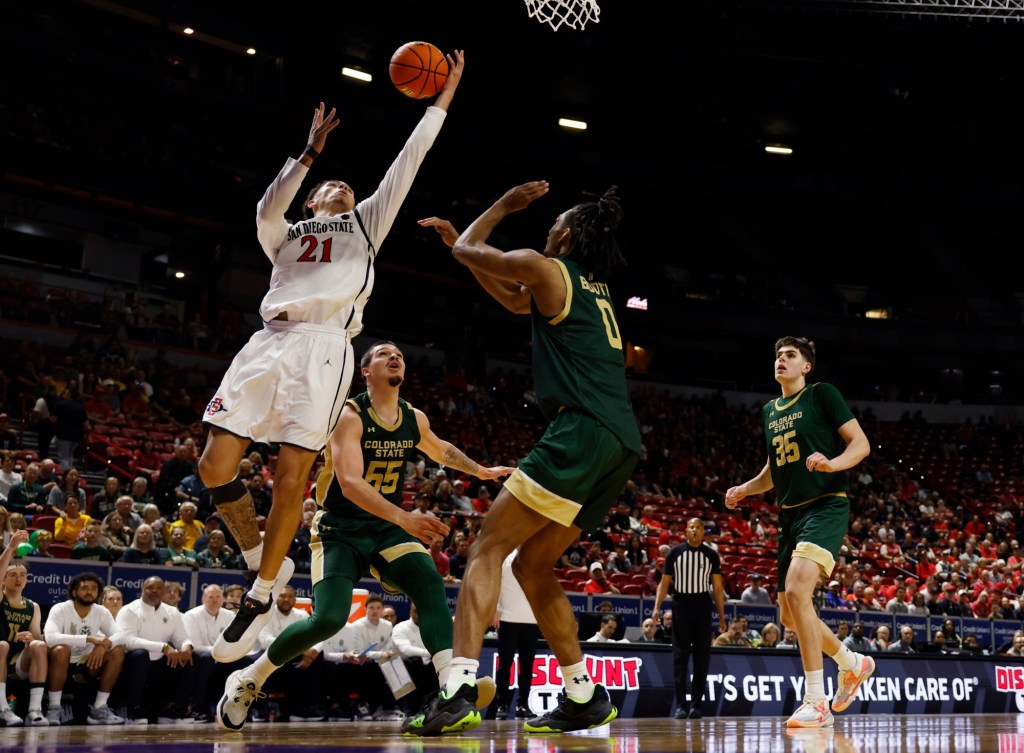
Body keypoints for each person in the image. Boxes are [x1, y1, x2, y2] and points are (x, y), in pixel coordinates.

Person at [197, 54, 466, 666]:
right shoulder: (284, 232)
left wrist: (441, 99)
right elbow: (268, 205)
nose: (340, 188)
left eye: (346, 186)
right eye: (329, 187)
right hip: (268, 341)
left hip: (325, 349)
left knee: (293, 473)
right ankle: (256, 559)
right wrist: (309, 153)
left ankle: (264, 591)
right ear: (314, 197)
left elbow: (409, 161)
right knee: (215, 464)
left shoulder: (366, 224)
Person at [412, 182, 641, 735]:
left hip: (581, 428)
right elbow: (514, 299)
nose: (543, 231)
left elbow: (470, 248)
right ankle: (583, 694)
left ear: (563, 234)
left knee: (486, 549)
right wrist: (464, 252)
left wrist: (499, 208)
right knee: (533, 566)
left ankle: (458, 687)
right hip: (621, 443)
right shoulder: (591, 287)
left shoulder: (546, 266)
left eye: (549, 225)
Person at [214, 339, 507, 732]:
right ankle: (251, 677)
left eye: (399, 353)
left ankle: (450, 690)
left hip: (385, 527)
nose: (395, 356)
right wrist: (405, 518)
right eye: (384, 354)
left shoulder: (413, 417)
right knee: (329, 619)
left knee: (429, 583)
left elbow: (440, 450)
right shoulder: (350, 415)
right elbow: (350, 484)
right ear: (366, 372)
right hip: (340, 526)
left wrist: (480, 471)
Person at [725, 336, 872, 728]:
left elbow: (861, 444)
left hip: (824, 506)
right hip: (788, 518)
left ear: (806, 366)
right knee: (791, 617)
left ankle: (816, 701)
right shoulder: (769, 410)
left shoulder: (822, 394)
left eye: (790, 356)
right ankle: (852, 662)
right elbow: (774, 469)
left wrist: (832, 463)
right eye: (777, 355)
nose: (781, 360)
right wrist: (746, 487)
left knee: (797, 590)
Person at [653, 517, 725, 720]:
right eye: (691, 527)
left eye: (698, 527)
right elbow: (664, 583)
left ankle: (696, 706)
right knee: (680, 657)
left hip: (703, 605)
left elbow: (717, 588)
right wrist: (656, 608)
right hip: (681, 605)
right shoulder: (675, 553)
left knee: (702, 657)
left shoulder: (711, 555)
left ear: (703, 532)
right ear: (686, 531)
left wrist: (721, 616)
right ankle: (681, 706)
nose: (694, 530)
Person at [43, 571, 126, 726]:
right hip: (58, 663)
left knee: (117, 651)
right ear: (74, 591)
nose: (90, 592)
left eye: (94, 588)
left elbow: (121, 635)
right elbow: (50, 638)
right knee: (61, 649)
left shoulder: (101, 611)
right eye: (85, 588)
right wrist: (89, 639)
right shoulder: (60, 609)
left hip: (86, 663)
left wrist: (102, 646)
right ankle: (54, 708)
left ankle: (99, 708)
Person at [493, 548, 541, 720]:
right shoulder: (505, 558)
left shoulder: (537, 558)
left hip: (532, 621)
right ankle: (502, 705)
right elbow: (495, 584)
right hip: (508, 618)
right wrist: (495, 611)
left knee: (527, 667)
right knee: (505, 666)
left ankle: (523, 705)